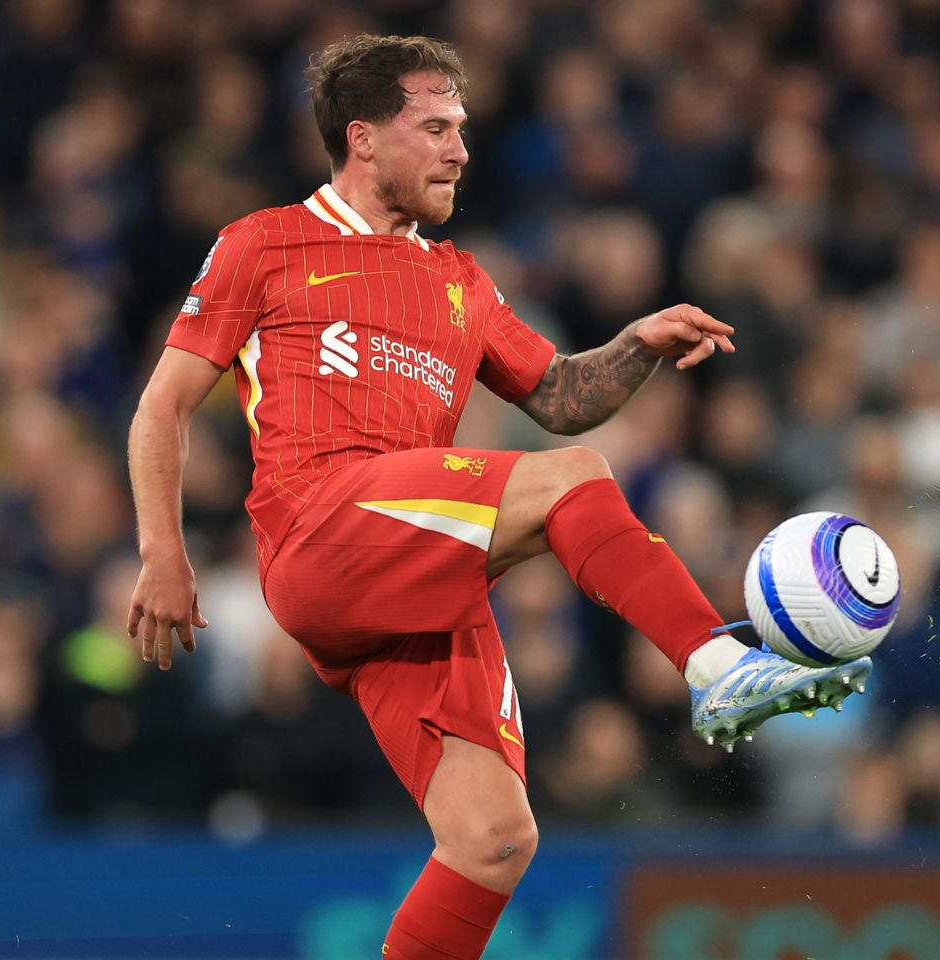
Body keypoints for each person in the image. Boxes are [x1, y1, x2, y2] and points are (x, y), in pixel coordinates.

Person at [124, 35, 870, 960]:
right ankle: (718, 668)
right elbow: (163, 406)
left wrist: (634, 345)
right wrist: (164, 551)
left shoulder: (459, 280)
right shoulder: (264, 243)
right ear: (363, 139)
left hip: (415, 570)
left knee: (494, 842)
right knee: (578, 483)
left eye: (463, 129)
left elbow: (557, 397)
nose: (459, 150)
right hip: (321, 525)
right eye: (435, 128)